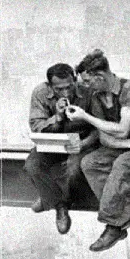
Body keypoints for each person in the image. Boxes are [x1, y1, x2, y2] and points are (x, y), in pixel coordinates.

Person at [67, 50, 130, 251]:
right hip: (128, 145)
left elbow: (123, 129)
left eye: (88, 81)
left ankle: (113, 226)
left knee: (122, 164)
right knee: (89, 163)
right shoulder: (98, 96)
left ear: (99, 76)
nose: (86, 86)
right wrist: (129, 145)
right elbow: (104, 135)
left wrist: (86, 117)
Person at [24, 63, 98, 234]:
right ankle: (59, 205)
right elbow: (36, 126)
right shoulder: (40, 93)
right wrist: (57, 117)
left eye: (69, 87)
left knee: (74, 170)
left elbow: (98, 126)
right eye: (59, 89)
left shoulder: (88, 90)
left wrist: (84, 144)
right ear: (50, 86)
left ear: (74, 80)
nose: (66, 93)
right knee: (32, 166)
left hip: (81, 141)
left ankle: (48, 199)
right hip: (52, 141)